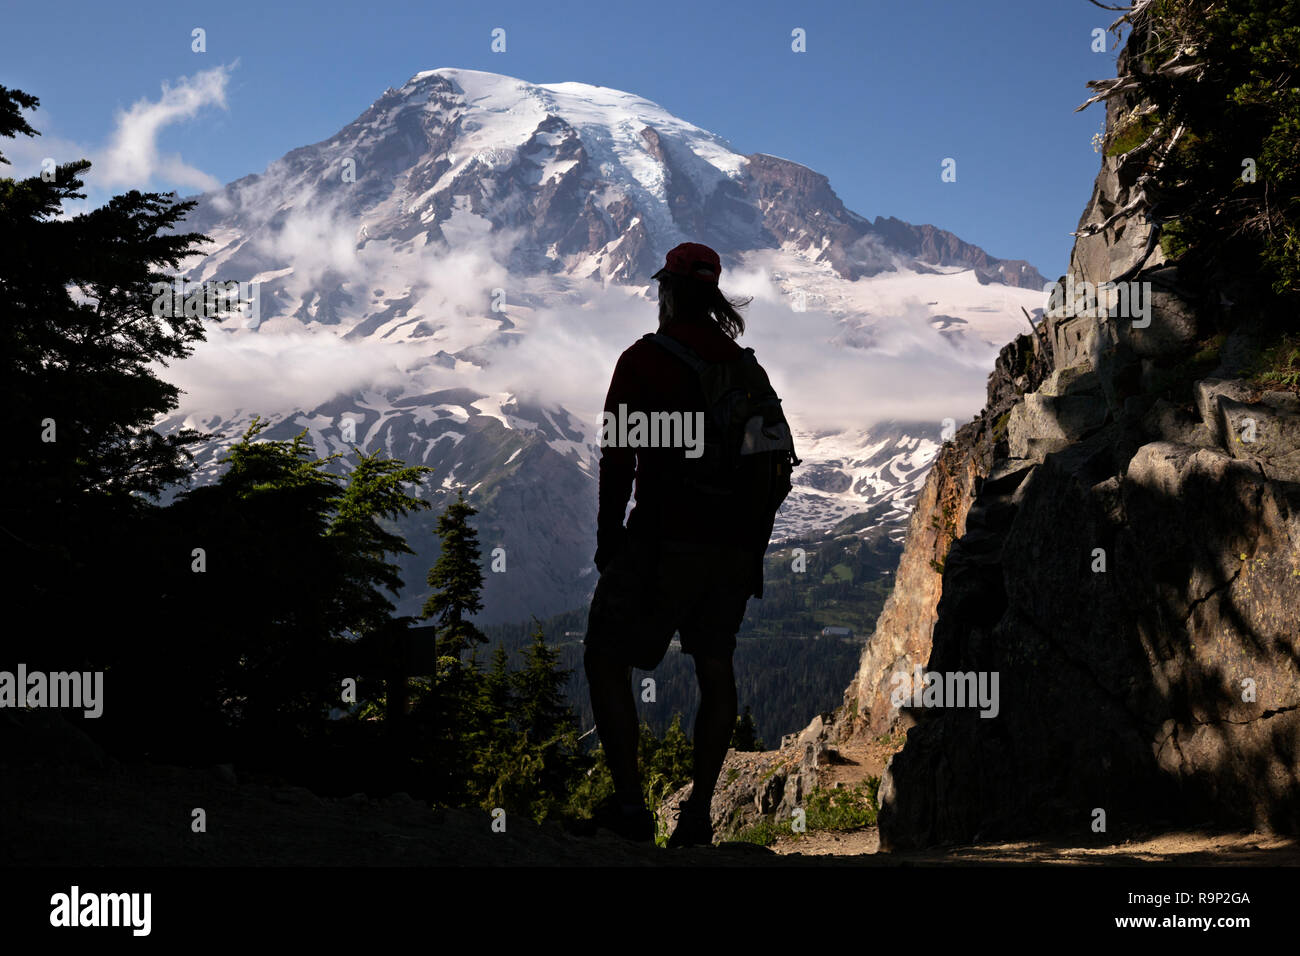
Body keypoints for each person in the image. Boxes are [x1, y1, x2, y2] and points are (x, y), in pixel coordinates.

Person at [583, 241, 769, 847]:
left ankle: (633, 810)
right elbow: (768, 464)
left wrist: (610, 536)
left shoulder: (643, 360)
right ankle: (698, 816)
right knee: (715, 669)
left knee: (606, 656)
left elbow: (618, 457)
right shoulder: (743, 366)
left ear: (667, 290)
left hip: (665, 537)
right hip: (733, 546)